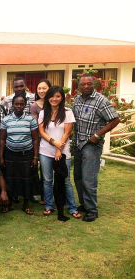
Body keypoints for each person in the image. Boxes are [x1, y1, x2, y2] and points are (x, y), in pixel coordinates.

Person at [73, 74, 120, 222]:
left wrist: (98, 135)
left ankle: (92, 210)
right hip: (78, 143)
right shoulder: (77, 100)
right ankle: (84, 204)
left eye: (89, 84)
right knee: (78, 177)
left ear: (94, 84)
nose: (86, 86)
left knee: (88, 179)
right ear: (79, 86)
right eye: (83, 84)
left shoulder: (101, 101)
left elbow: (115, 119)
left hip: (91, 145)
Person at [38, 86, 82, 219]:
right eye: (52, 96)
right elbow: (41, 131)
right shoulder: (43, 112)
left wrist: (58, 149)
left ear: (62, 97)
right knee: (47, 180)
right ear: (48, 97)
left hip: (63, 152)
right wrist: (53, 142)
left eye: (57, 96)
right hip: (45, 151)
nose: (54, 99)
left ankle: (72, 207)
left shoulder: (67, 112)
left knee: (66, 180)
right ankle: (49, 205)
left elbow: (67, 133)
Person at [0, 94, 40, 215]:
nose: (19, 106)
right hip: (10, 154)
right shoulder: (6, 120)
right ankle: (9, 203)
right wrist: (1, 157)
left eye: (22, 104)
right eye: (16, 104)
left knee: (26, 179)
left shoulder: (30, 119)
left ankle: (26, 204)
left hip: (26, 154)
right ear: (12, 105)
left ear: (25, 105)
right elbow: (2, 139)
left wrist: (35, 157)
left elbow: (35, 139)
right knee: (10, 179)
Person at [30, 79, 52, 206]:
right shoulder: (35, 106)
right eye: (39, 88)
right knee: (42, 169)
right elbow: (35, 126)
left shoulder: (55, 102)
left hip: (56, 140)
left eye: (44, 88)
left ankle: (57, 195)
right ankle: (43, 195)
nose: (42, 91)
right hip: (40, 140)